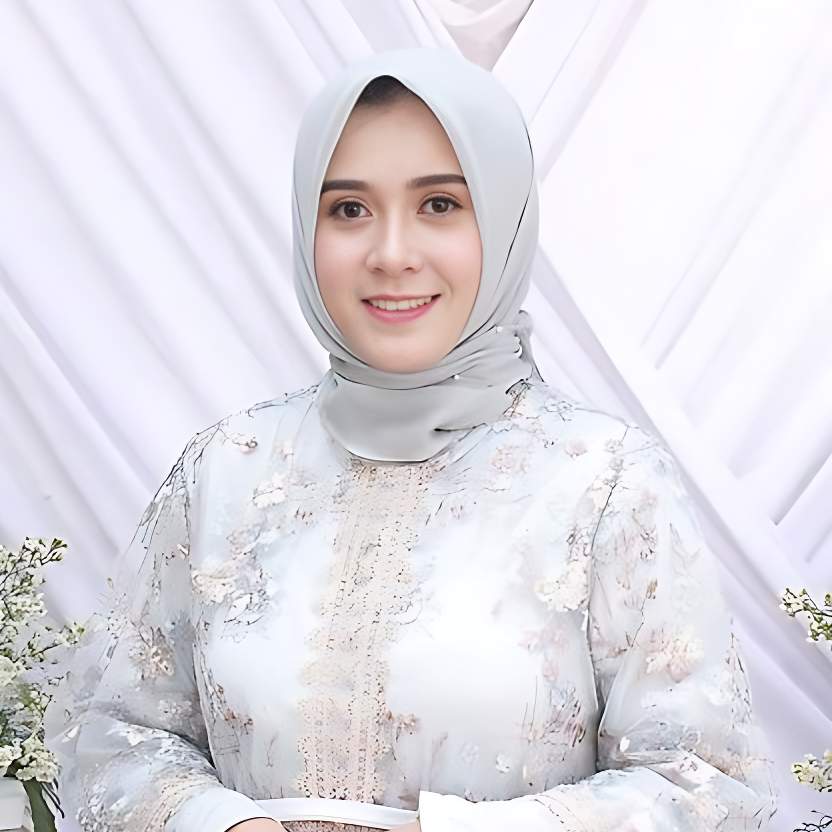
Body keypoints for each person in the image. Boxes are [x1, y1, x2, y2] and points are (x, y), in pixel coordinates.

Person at [48, 49, 775, 832]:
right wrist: (221, 824)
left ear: (504, 221)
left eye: (438, 204)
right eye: (348, 209)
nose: (392, 253)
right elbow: (112, 736)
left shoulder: (605, 483)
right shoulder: (226, 468)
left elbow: (704, 787)